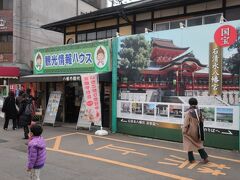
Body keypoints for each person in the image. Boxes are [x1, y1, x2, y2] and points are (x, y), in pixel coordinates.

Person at [182, 97, 209, 164]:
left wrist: (184, 131)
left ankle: (191, 159)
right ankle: (205, 157)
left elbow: (186, 123)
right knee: (198, 144)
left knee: (188, 144)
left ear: (189, 103)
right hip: (198, 131)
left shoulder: (188, 112)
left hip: (190, 131)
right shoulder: (199, 111)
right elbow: (202, 120)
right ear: (196, 103)